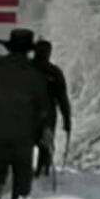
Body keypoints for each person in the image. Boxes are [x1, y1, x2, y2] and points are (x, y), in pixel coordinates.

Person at [0, 28, 50, 199]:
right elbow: (44, 103)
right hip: (24, 130)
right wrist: (45, 128)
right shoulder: (34, 72)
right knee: (22, 167)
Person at [32, 40, 72, 179]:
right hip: (47, 116)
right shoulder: (54, 72)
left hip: (26, 115)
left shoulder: (26, 69)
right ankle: (42, 172)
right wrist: (67, 120)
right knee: (46, 146)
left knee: (25, 146)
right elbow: (62, 99)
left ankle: (30, 171)